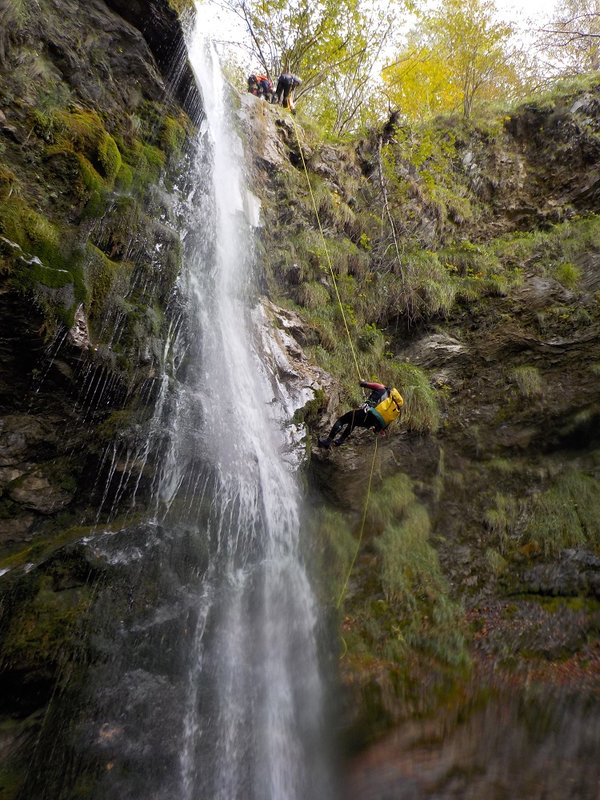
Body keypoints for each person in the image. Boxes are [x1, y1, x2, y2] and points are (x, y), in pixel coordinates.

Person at [318, 380, 404, 448]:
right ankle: (339, 441)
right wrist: (377, 430)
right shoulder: (394, 407)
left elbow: (363, 383)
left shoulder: (381, 387)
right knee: (353, 422)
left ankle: (327, 441)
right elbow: (385, 423)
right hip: (371, 423)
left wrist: (362, 381)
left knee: (342, 420)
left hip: (366, 412)